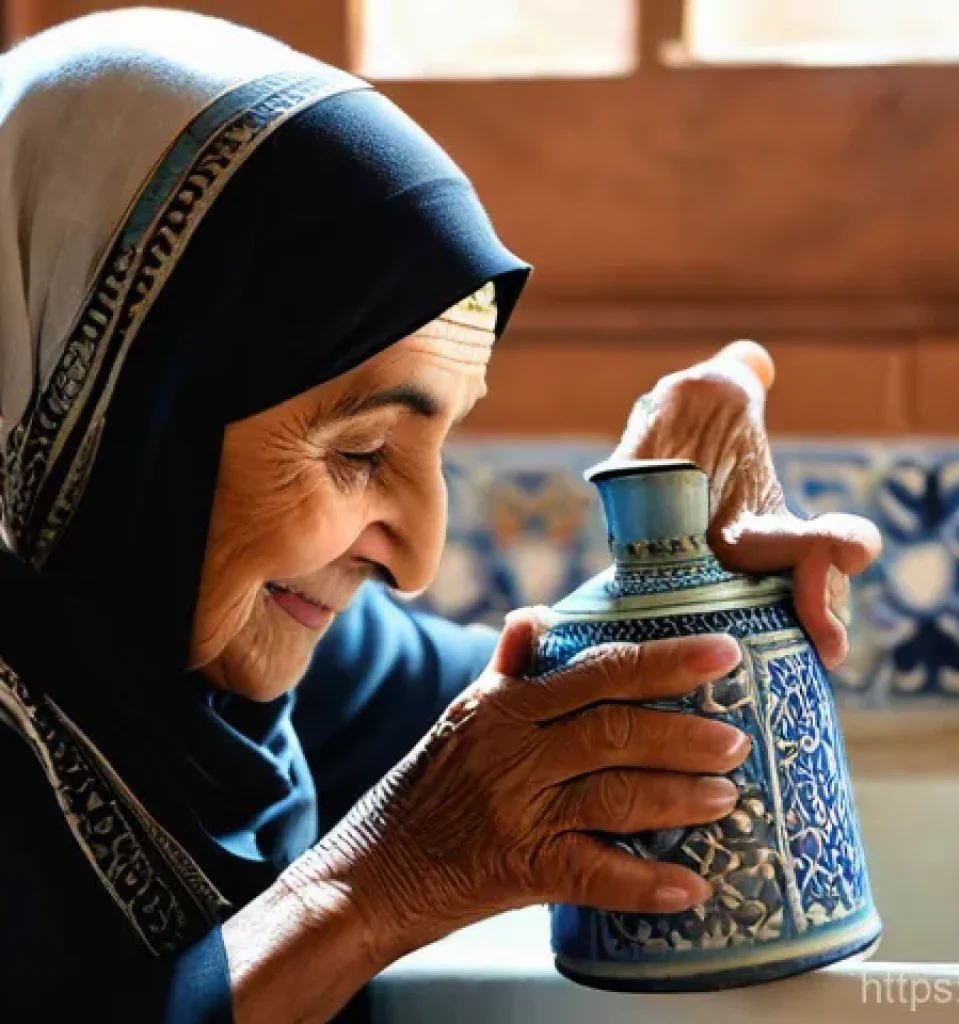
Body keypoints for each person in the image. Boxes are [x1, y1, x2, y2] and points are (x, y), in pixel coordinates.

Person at [0, 9, 881, 1023]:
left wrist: (686, 574)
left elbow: (541, 736)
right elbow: (427, 830)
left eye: (441, 442)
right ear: (118, 413)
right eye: (362, 451)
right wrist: (370, 886)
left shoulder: (233, 661)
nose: (417, 557)